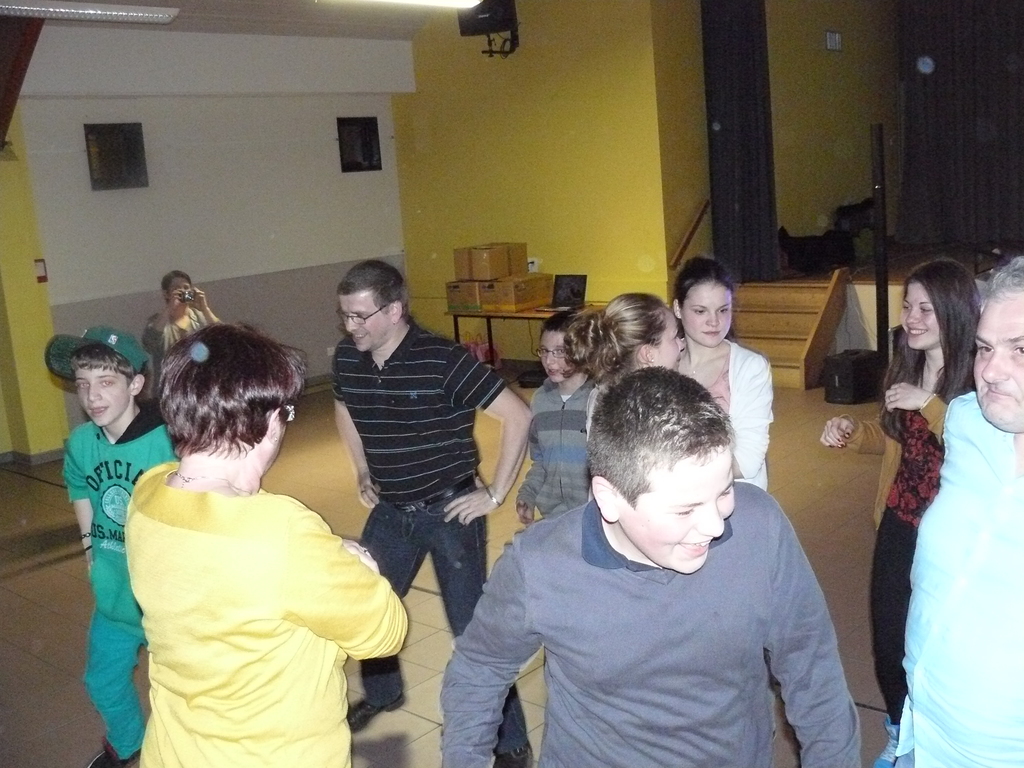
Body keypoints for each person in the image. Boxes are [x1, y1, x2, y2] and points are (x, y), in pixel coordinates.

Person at [440, 367, 860, 768]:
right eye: (685, 509)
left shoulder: (760, 526)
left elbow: (812, 665)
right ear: (609, 498)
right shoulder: (540, 565)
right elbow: (479, 669)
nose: (716, 525)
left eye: (723, 491)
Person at [124, 323, 408, 768]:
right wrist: (359, 564)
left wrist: (319, 558)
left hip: (175, 753)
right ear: (272, 420)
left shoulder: (146, 494)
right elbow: (384, 632)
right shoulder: (283, 533)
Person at [332, 260, 533, 768]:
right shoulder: (348, 357)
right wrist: (361, 467)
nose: (351, 327)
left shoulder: (442, 358)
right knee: (371, 606)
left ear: (394, 310)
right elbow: (344, 406)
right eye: (345, 315)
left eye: (360, 316)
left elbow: (518, 415)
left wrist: (496, 494)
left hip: (451, 511)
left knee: (472, 633)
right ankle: (383, 694)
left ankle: (511, 741)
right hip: (392, 509)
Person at [820, 258, 978, 768]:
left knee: (942, 643)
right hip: (899, 521)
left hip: (952, 533)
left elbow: (978, 446)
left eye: (925, 308)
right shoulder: (906, 366)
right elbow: (892, 437)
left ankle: (938, 737)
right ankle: (898, 730)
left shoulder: (979, 375)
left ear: (953, 311)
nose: (911, 318)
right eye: (908, 306)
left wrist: (928, 402)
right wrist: (851, 430)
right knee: (889, 639)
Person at [896, 255, 1024, 767]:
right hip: (922, 724)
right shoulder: (967, 421)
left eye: (1021, 349)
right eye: (984, 348)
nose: (990, 371)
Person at [43, 326, 176, 768]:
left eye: (106, 382)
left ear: (135, 384)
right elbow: (79, 486)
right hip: (114, 596)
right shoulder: (83, 442)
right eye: (83, 384)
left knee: (182, 691)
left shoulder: (169, 442)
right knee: (102, 680)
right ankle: (128, 741)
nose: (92, 396)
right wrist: (89, 548)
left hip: (166, 601)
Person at [673, 256, 773, 489]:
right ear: (678, 308)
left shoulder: (750, 367)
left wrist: (672, 474)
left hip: (732, 494)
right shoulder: (664, 360)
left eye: (723, 310)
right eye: (700, 311)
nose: (714, 322)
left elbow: (748, 461)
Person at [515, 310, 595, 524]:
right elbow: (541, 460)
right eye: (544, 351)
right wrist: (528, 494)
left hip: (594, 515)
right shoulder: (540, 401)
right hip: (553, 516)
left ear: (582, 350)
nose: (549, 361)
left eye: (560, 351)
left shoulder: (599, 399)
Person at [563, 292, 683, 426]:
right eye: (674, 337)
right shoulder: (659, 410)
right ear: (648, 354)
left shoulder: (602, 396)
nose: (681, 344)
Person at [141, 269, 219, 385]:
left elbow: (223, 337)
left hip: (199, 385)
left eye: (186, 287)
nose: (183, 291)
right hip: (169, 386)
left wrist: (205, 308)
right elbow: (148, 343)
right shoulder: (158, 321)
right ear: (166, 294)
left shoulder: (200, 317)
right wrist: (170, 307)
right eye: (177, 288)